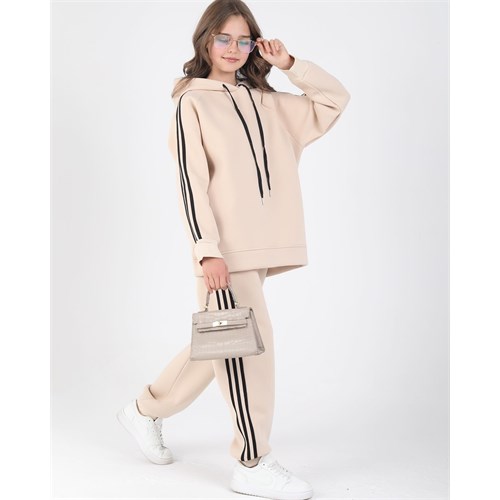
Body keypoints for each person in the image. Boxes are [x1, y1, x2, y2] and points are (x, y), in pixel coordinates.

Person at [117, 1, 350, 498]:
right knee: (249, 349)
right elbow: (191, 182)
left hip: (261, 245)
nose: (234, 49)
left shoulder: (269, 102)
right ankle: (252, 461)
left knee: (225, 341)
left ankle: (144, 410)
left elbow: (334, 100)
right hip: (223, 250)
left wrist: (289, 64)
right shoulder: (192, 103)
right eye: (223, 38)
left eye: (244, 40)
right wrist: (206, 250)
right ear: (205, 41)